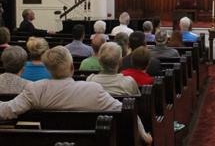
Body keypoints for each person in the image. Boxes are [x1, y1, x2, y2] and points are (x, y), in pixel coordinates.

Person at [0, 45, 152, 145]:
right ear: (72, 67)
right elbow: (127, 111)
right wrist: (144, 135)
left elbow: (6, 110)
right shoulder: (93, 90)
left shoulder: (35, 89)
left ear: (49, 70)